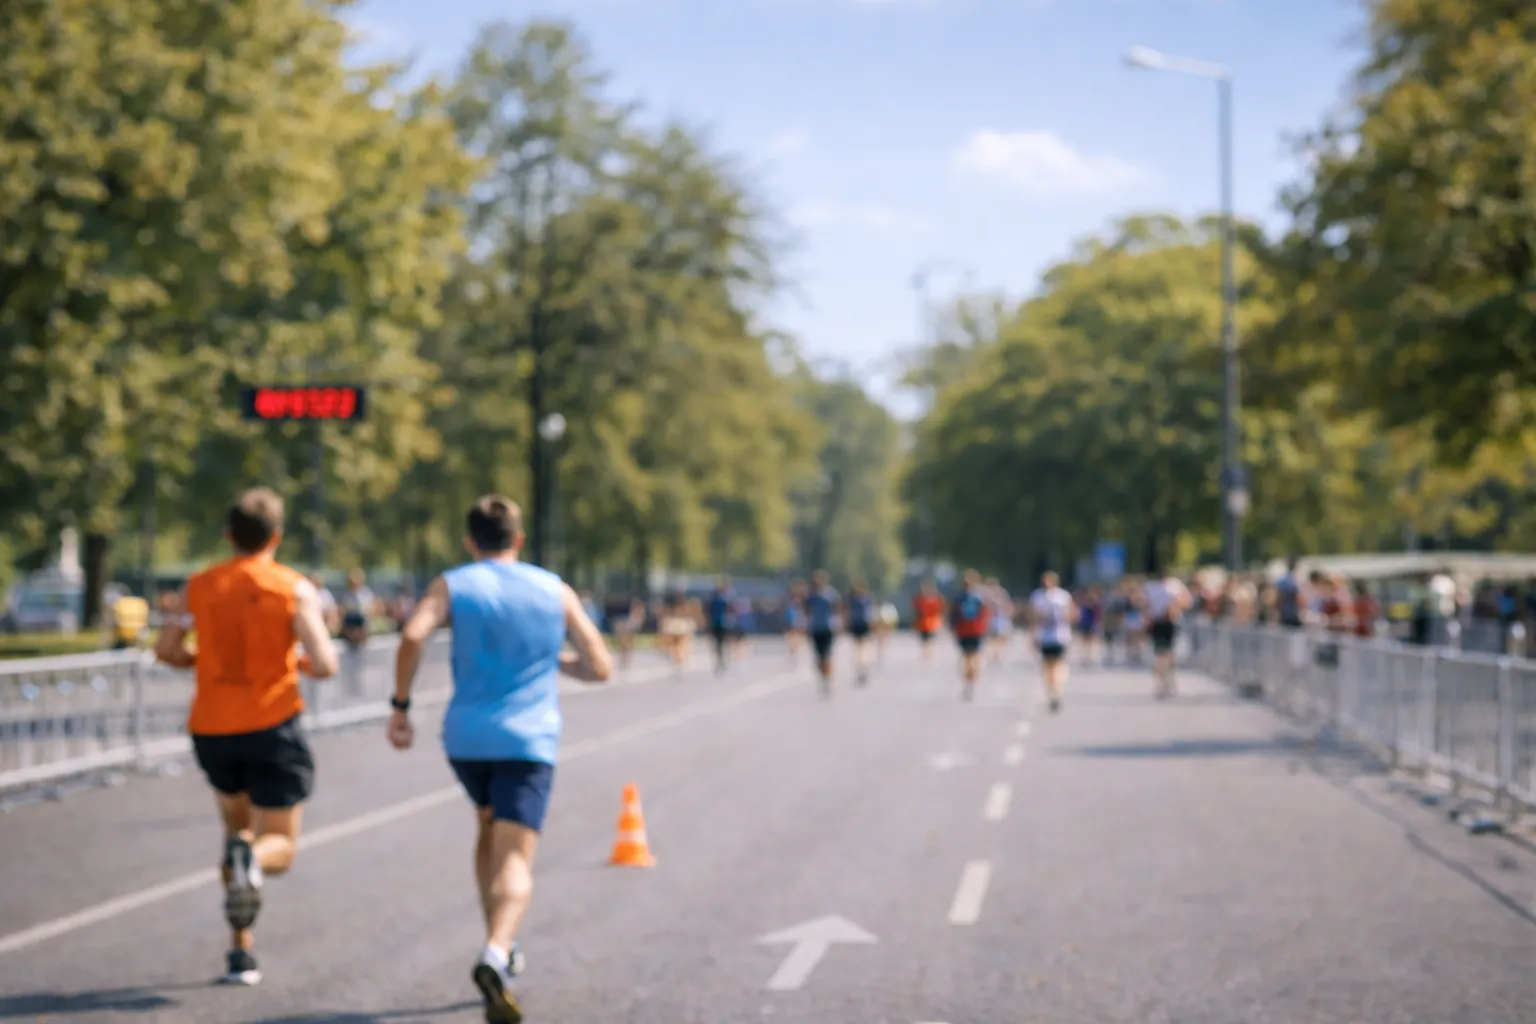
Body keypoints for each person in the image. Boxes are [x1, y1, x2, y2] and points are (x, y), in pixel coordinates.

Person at [388, 496, 612, 1024]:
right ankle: (496, 951)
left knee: (488, 829)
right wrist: (557, 663)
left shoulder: (453, 584)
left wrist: (400, 705)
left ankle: (501, 946)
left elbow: (413, 633)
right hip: (527, 741)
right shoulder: (553, 589)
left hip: (465, 739)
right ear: (518, 539)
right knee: (516, 856)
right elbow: (600, 666)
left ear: (470, 540)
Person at [154, 488, 340, 987]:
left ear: (228, 535)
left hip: (213, 727)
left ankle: (241, 950)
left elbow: (168, 649)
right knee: (275, 844)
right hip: (271, 724)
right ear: (276, 536)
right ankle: (250, 861)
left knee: (234, 828)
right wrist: (292, 660)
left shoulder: (198, 585)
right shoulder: (292, 588)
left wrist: (204, 661)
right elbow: (324, 663)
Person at [1027, 571, 1076, 713]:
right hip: (1045, 637)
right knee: (1048, 667)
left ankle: (1056, 691)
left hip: (1059, 636)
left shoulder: (1061, 596)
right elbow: (1033, 618)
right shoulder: (1039, 596)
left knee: (1057, 665)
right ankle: (1053, 692)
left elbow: (1071, 615)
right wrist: (1032, 636)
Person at [1142, 567, 1192, 699]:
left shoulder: (1150, 587)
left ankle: (1162, 683)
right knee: (1167, 653)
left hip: (1159, 622)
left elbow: (1144, 605)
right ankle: (1166, 682)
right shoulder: (1174, 585)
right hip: (1168, 621)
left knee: (1161, 654)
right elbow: (1187, 602)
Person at [949, 570, 992, 701]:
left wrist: (953, 629)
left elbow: (953, 616)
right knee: (975, 656)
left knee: (965, 657)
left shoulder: (959, 597)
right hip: (977, 631)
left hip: (963, 631)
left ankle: (967, 681)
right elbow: (985, 614)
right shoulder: (980, 598)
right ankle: (973, 680)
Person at [804, 570, 842, 697]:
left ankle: (828, 678)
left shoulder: (831, 594)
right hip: (815, 629)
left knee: (827, 656)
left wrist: (838, 624)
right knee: (818, 658)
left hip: (827, 628)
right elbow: (806, 611)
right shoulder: (811, 596)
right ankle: (823, 676)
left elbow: (838, 608)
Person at [846, 580, 876, 685]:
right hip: (856, 624)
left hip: (864, 624)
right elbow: (849, 612)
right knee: (857, 646)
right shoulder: (852, 599)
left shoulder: (867, 598)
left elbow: (871, 611)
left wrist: (872, 624)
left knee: (864, 646)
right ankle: (859, 664)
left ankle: (864, 663)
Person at [707, 576, 738, 675]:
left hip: (725, 623)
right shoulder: (714, 597)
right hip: (716, 623)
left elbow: (733, 609)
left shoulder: (728, 597)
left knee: (724, 641)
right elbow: (709, 611)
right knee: (717, 643)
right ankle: (720, 658)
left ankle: (724, 657)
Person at [912, 580, 945, 664]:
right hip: (925, 623)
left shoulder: (932, 599)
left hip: (931, 623)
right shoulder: (923, 599)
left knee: (929, 640)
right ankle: (927, 655)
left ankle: (929, 655)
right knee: (926, 640)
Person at [984, 577, 1014, 666]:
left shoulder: (1001, 593)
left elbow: (1007, 605)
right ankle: (993, 652)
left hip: (1001, 617)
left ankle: (997, 652)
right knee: (992, 637)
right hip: (991, 618)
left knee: (1001, 637)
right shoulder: (985, 594)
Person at [784, 579, 808, 667]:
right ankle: (793, 651)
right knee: (792, 635)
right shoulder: (790, 598)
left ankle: (799, 651)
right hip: (792, 618)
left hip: (801, 619)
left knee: (801, 636)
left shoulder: (805, 599)